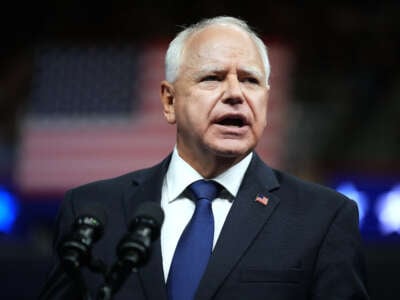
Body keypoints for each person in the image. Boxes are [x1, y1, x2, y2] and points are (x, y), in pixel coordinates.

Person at [40, 16, 369, 300]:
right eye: (212, 77)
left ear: (267, 101)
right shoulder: (91, 211)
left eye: (250, 80)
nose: (235, 94)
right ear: (169, 101)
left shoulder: (323, 218)